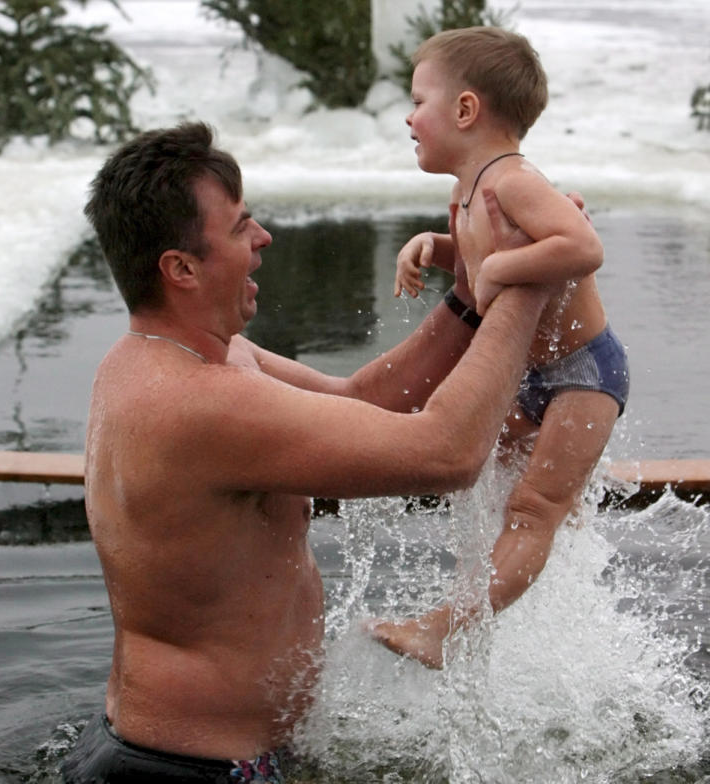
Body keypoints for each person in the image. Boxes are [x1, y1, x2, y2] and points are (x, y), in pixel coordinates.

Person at [59, 121, 552, 783]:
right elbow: (447, 454)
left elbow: (363, 401)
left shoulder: (180, 359)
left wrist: (467, 298)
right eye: (241, 227)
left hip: (184, 750)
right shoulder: (199, 403)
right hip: (188, 768)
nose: (263, 239)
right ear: (180, 268)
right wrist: (527, 283)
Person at [369, 27, 630, 669]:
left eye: (418, 101)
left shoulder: (514, 180)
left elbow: (582, 246)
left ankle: (445, 628)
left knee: (532, 509)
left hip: (583, 373)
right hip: (529, 375)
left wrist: (498, 271)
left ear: (465, 110)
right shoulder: (465, 191)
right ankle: (509, 605)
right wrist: (435, 247)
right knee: (488, 489)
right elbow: (484, 252)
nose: (408, 117)